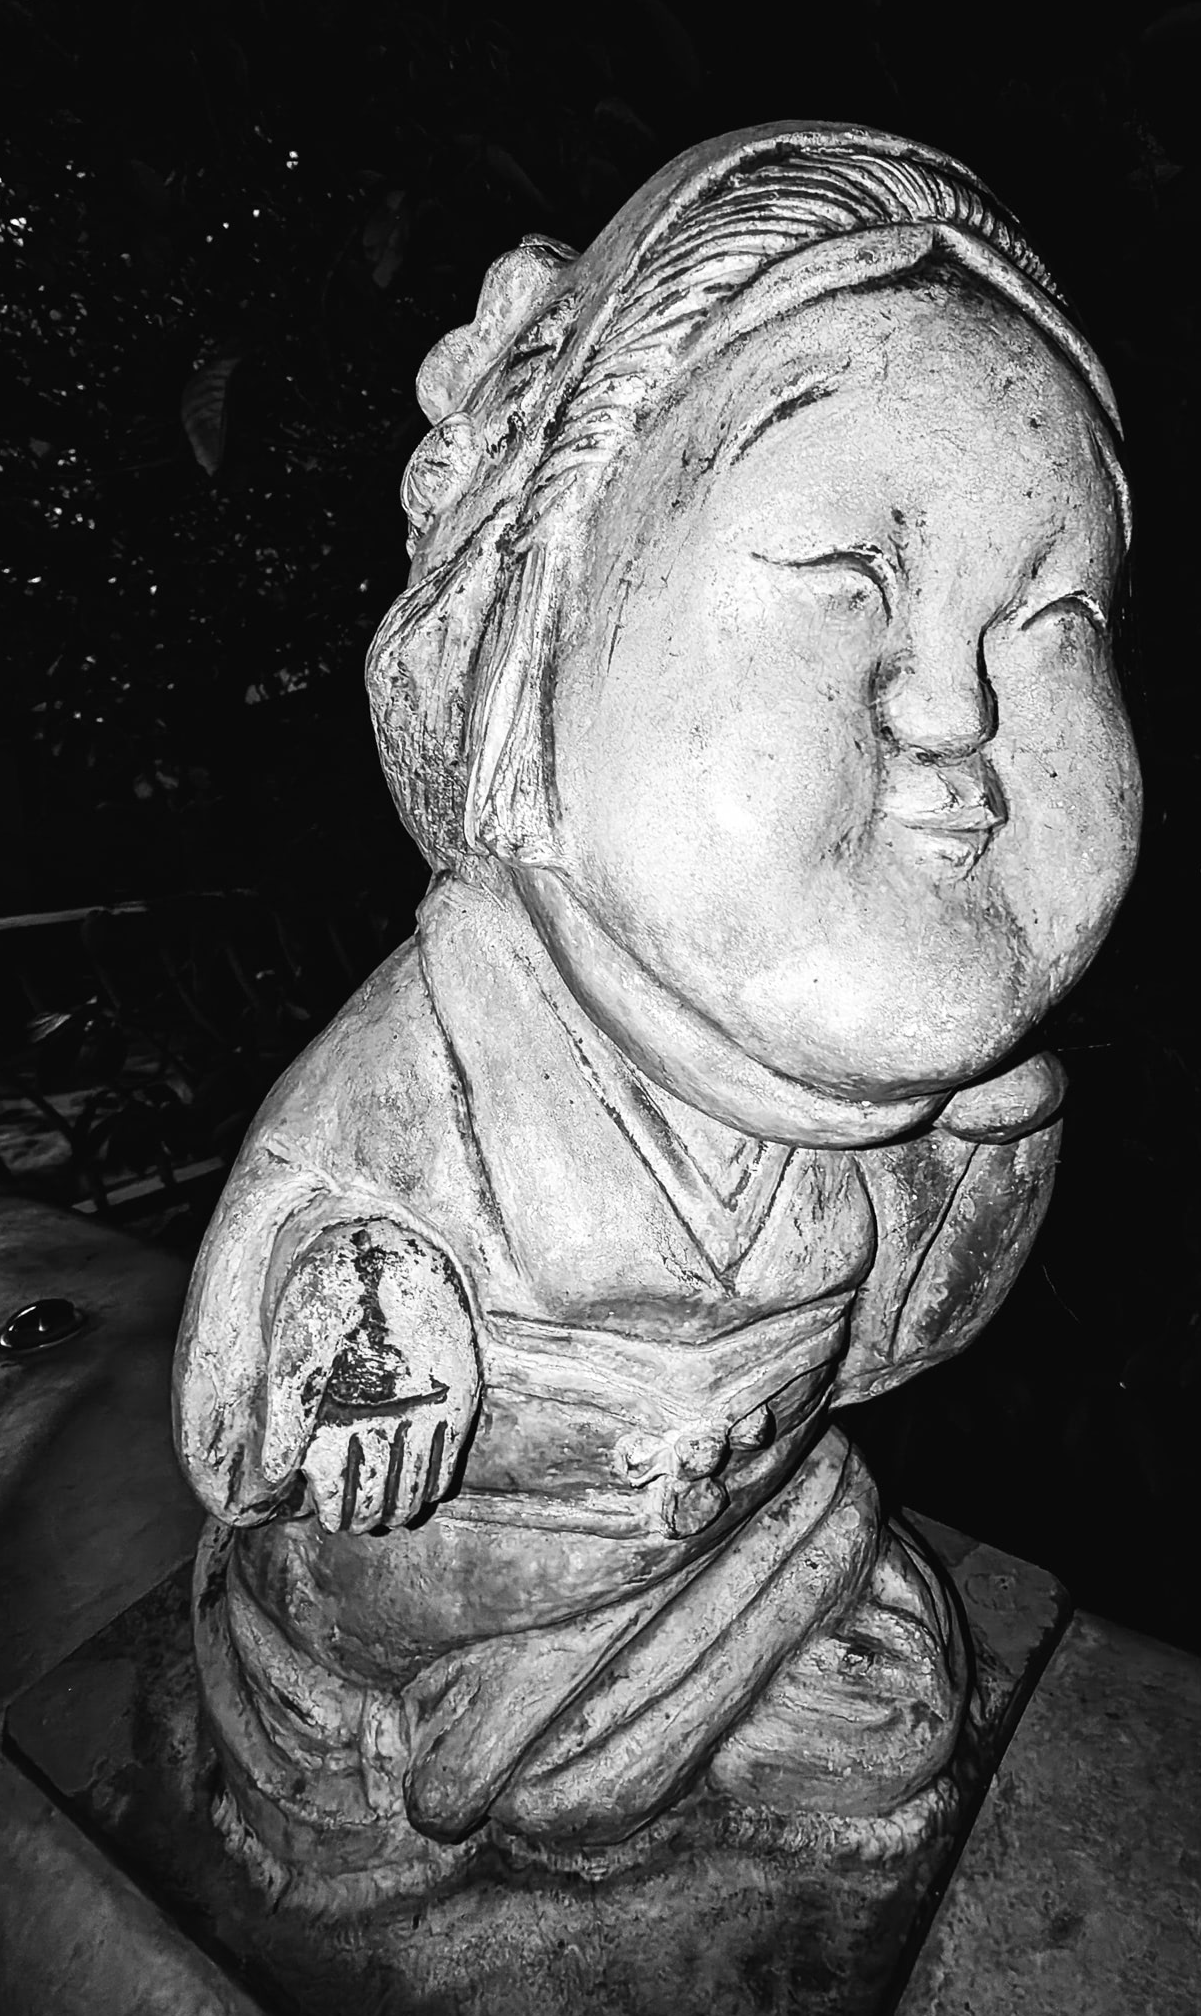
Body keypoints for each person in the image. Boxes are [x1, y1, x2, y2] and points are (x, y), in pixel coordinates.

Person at [172, 122, 1142, 1907]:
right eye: (849, 573)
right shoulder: (445, 1049)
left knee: (891, 1707)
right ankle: (412, 1716)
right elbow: (262, 1352)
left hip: (726, 1550)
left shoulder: (862, 1111)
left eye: (1055, 613)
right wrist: (360, 1298)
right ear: (543, 627)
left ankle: (652, 1685)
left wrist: (974, 1171)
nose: (955, 713)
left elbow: (877, 1352)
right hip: (423, 1600)